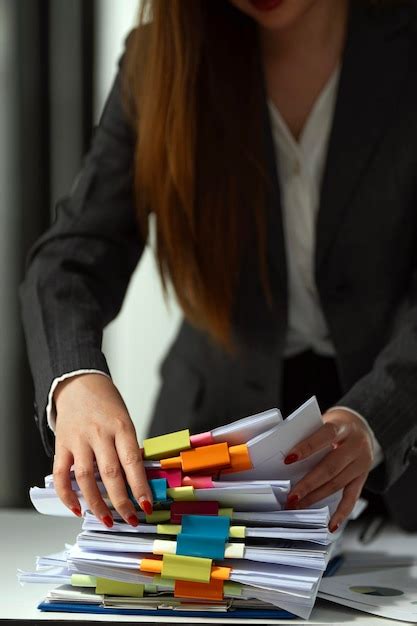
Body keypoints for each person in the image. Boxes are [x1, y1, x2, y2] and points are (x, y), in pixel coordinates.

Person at [20, 0, 417, 533]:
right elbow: (70, 259)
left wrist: (376, 416)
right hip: (211, 450)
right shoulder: (158, 63)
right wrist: (75, 381)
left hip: (400, 440)